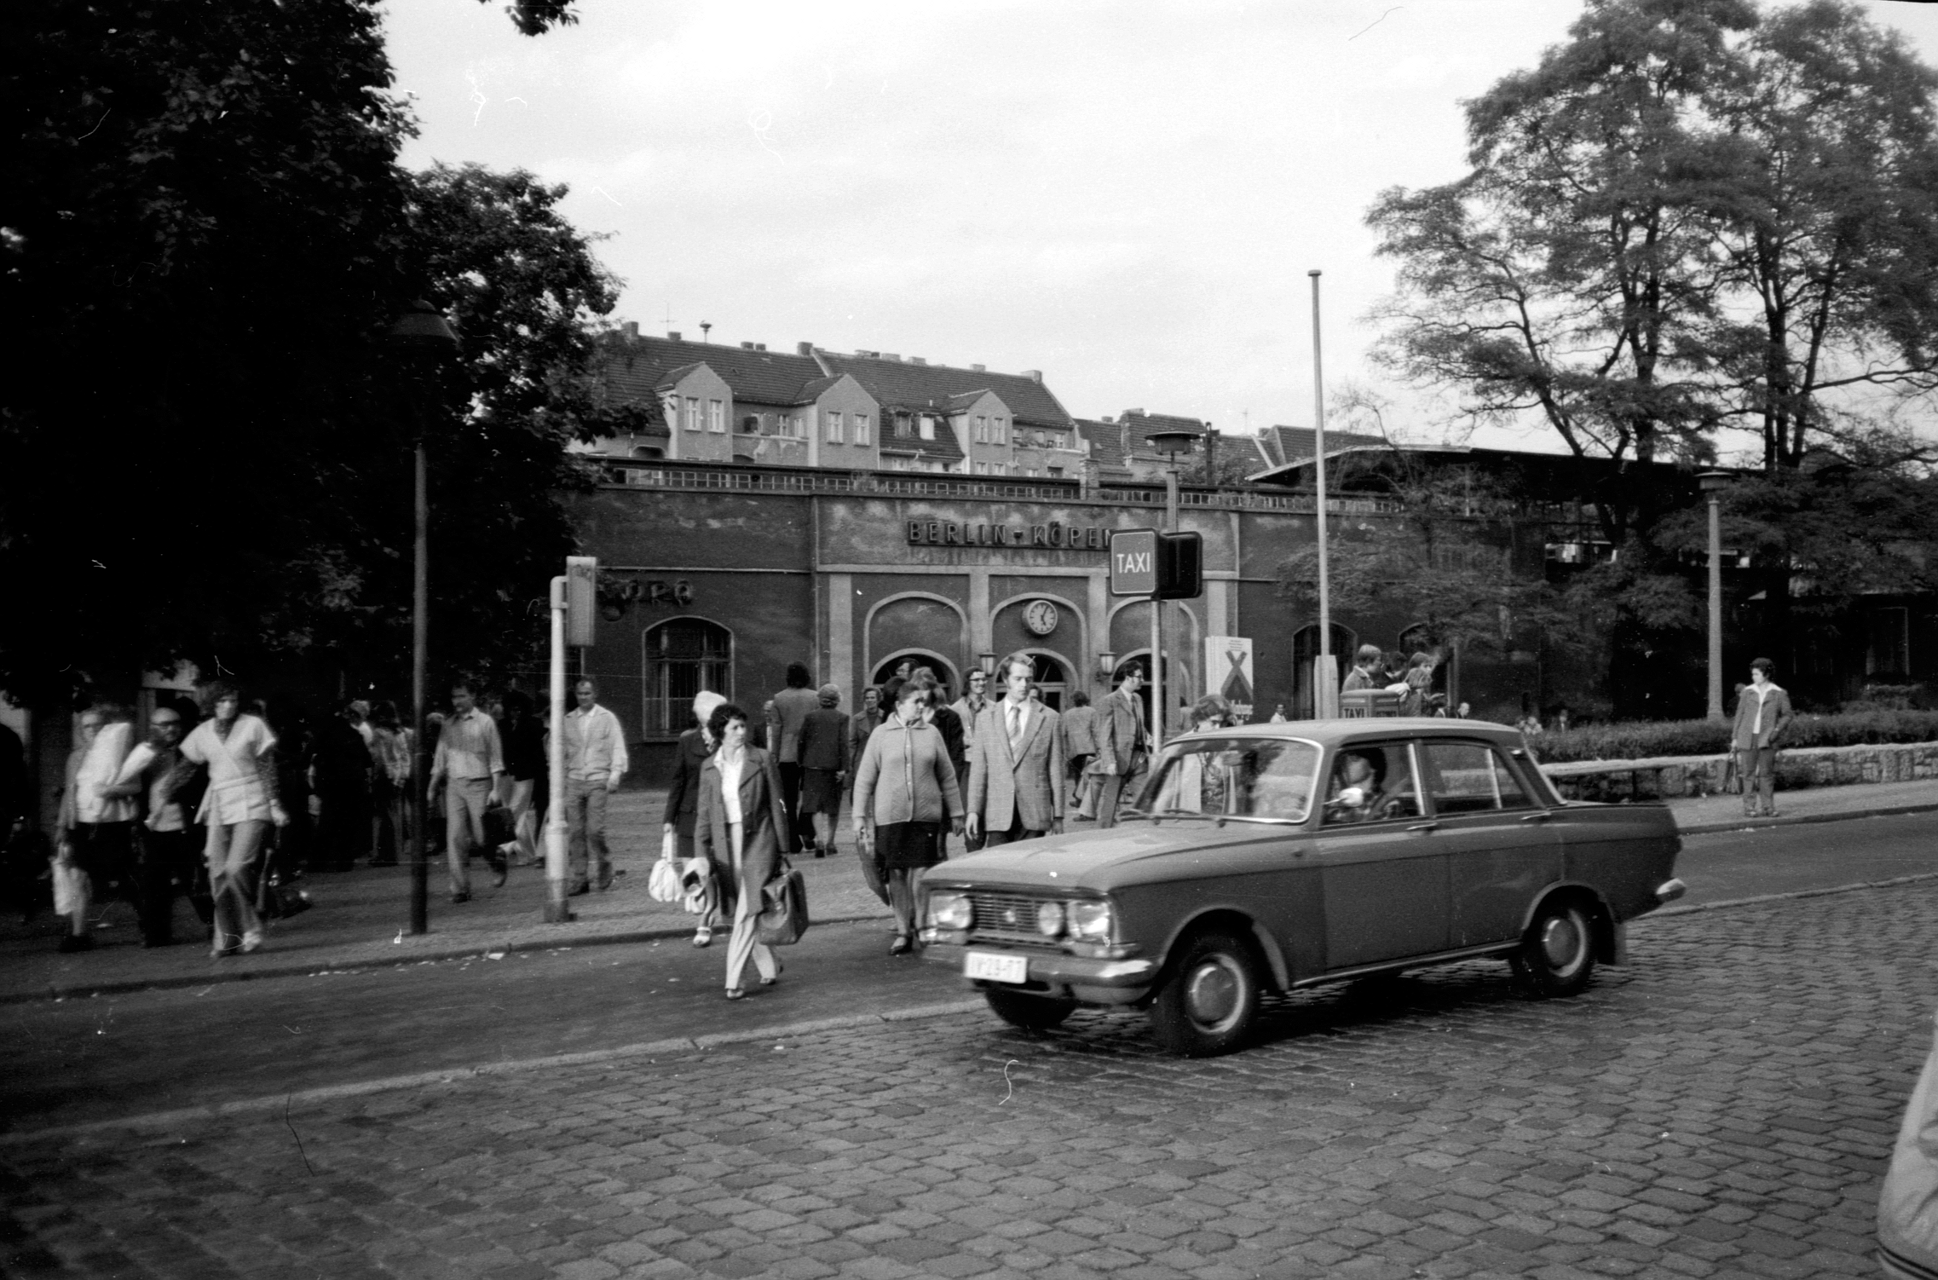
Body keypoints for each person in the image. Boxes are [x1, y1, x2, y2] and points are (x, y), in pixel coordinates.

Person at [852, 675, 964, 955]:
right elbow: (864, 779)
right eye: (916, 702)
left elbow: (948, 776)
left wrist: (958, 812)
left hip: (926, 816)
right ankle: (903, 930)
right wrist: (858, 816)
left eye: (922, 702)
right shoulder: (880, 735)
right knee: (897, 874)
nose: (921, 706)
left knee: (922, 872)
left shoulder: (931, 733)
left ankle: (924, 926)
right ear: (899, 705)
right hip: (890, 817)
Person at [179, 683, 285, 957]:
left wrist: (274, 804)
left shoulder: (253, 725)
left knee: (237, 868)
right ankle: (228, 939)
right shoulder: (202, 733)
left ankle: (251, 929)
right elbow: (186, 767)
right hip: (219, 804)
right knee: (217, 872)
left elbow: (266, 766)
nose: (229, 706)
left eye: (233, 700)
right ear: (211, 704)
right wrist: (160, 800)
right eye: (222, 701)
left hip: (252, 800)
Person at [694, 702, 791, 998]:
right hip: (726, 845)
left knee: (747, 911)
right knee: (744, 906)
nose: (741, 732)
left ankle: (734, 979)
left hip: (760, 840)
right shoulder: (709, 767)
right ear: (720, 731)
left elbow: (777, 804)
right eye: (734, 727)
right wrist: (700, 855)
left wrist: (784, 849)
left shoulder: (761, 759)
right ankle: (770, 965)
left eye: (743, 726)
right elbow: (704, 815)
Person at [105, 702, 210, 947]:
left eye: (175, 724)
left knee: (194, 880)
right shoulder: (143, 754)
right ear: (152, 727)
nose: (171, 729)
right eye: (164, 725)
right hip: (154, 829)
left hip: (185, 826)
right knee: (154, 884)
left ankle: (215, 924)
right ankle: (157, 934)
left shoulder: (190, 751)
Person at [53, 703, 137, 952]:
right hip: (80, 824)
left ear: (106, 727)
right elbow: (71, 792)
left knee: (123, 878)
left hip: (112, 825)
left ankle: (150, 923)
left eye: (97, 725)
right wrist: (61, 825)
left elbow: (135, 788)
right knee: (78, 876)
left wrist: (111, 790)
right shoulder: (76, 756)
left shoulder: (119, 753)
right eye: (86, 726)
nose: (91, 730)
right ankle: (79, 934)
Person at [965, 652, 1065, 848]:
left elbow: (1056, 770)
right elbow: (978, 771)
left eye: (1028, 679)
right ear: (1005, 679)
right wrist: (973, 811)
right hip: (997, 812)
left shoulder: (1049, 718)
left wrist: (1059, 815)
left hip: (1035, 812)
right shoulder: (985, 718)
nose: (1023, 685)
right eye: (1017, 679)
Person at [428, 679, 506, 903]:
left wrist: (496, 788)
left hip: (480, 784)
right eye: (454, 697)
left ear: (472, 697)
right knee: (455, 837)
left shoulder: (486, 723)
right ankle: (460, 889)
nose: (457, 701)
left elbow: (496, 758)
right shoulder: (448, 725)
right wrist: (432, 788)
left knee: (483, 838)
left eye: (462, 696)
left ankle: (496, 860)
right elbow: (440, 760)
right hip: (455, 786)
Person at [664, 689, 726, 946]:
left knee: (710, 873)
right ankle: (704, 914)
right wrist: (668, 819)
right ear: (703, 717)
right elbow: (678, 781)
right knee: (695, 875)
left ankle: (704, 923)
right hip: (690, 817)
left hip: (718, 817)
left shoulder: (727, 740)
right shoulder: (687, 741)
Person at [561, 677, 628, 894]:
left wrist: (615, 775)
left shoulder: (607, 718)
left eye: (587, 693)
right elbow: (559, 749)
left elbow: (617, 746)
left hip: (598, 779)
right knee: (575, 831)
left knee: (594, 830)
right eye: (580, 694)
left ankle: (604, 866)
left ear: (594, 694)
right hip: (574, 779)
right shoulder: (568, 720)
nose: (583, 698)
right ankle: (579, 879)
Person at [311, 700, 372, 871]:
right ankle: (344, 862)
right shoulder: (355, 736)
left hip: (330, 784)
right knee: (347, 824)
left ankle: (318, 862)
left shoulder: (325, 735)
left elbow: (315, 755)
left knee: (327, 822)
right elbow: (367, 759)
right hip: (352, 784)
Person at [1732, 658, 1794, 818]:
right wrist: (1734, 738)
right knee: (1748, 774)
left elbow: (1787, 715)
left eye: (1757, 674)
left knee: (1766, 774)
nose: (1753, 677)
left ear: (1766, 674)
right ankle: (1749, 807)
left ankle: (1768, 807)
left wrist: (1776, 731)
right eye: (1753, 674)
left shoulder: (1779, 693)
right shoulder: (1748, 692)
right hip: (1747, 737)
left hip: (1768, 738)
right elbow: (1739, 716)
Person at [794, 684, 850, 857]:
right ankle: (830, 842)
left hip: (812, 767)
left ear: (820, 698)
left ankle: (819, 840)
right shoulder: (842, 718)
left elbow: (801, 741)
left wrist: (802, 761)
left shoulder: (810, 717)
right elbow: (843, 744)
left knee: (815, 807)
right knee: (832, 807)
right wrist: (844, 768)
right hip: (833, 767)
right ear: (837, 699)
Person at [770, 663, 820, 852]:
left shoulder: (779, 698)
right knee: (810, 795)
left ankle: (792, 840)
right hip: (810, 753)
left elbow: (776, 730)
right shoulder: (815, 697)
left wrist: (774, 754)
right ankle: (806, 828)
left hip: (787, 754)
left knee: (789, 799)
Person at [1094, 666, 1148, 829]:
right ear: (1128, 677)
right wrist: (1109, 761)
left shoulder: (1137, 699)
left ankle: (1146, 833)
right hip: (1118, 760)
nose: (1142, 680)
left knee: (1145, 799)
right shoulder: (1109, 701)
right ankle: (1104, 836)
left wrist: (1147, 738)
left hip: (1139, 757)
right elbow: (1104, 734)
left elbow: (1137, 725)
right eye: (1139, 677)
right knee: (1110, 804)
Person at [366, 700, 408, 867]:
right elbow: (404, 756)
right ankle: (393, 853)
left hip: (384, 776)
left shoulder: (379, 733)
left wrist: (375, 777)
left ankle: (387, 855)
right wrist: (402, 776)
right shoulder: (400, 732)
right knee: (394, 815)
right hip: (398, 776)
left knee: (385, 816)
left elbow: (380, 758)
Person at [1057, 689, 1098, 817]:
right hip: (1090, 749)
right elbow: (1096, 731)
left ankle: (1079, 800)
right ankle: (1086, 805)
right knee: (1089, 778)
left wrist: (1065, 750)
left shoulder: (1067, 714)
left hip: (1075, 750)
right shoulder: (1092, 712)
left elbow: (1062, 733)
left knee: (1078, 777)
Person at [950, 668, 992, 740]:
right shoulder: (955, 709)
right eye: (976, 680)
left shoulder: (994, 707)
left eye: (983, 679)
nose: (981, 683)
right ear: (967, 683)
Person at [1401, 652, 1435, 717]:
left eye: (1430, 666)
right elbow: (1414, 715)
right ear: (1415, 669)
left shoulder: (1423, 686)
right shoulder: (1412, 690)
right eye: (1425, 666)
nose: (1429, 669)